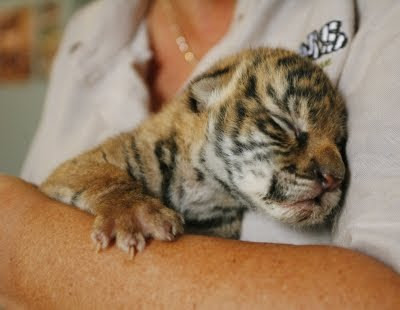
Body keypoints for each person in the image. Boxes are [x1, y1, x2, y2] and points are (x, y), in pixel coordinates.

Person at [1, 0, 400, 307]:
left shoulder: (382, 18)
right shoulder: (87, 30)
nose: (333, 170)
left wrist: (23, 235)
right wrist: (111, 196)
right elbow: (67, 179)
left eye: (338, 144)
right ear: (203, 101)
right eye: (286, 127)